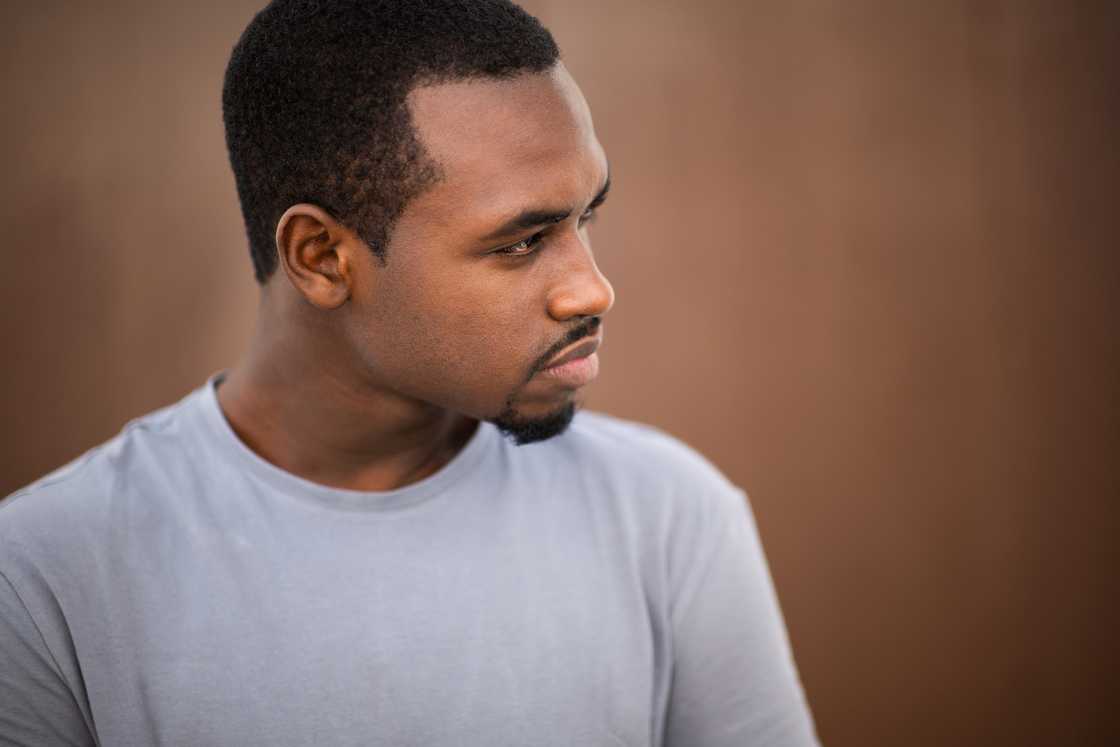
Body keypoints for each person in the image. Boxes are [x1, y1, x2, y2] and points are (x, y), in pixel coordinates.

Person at [0, 1, 818, 745]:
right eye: (522, 241)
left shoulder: (671, 523)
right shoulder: (47, 581)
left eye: (586, 214)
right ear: (321, 257)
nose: (592, 288)